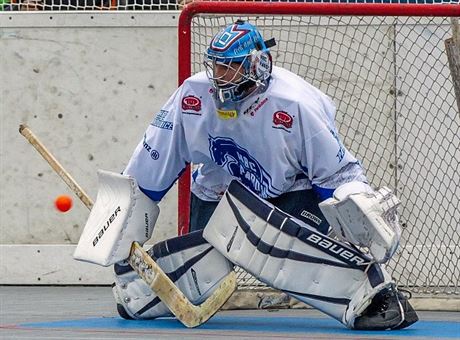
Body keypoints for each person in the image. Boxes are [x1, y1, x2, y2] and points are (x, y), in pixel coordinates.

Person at [99, 20, 418, 330]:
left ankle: (373, 297)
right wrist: (124, 233)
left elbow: (335, 174)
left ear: (256, 65)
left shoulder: (295, 103)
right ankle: (135, 294)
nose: (219, 77)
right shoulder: (193, 97)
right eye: (216, 66)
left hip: (291, 192)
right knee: (198, 271)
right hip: (219, 191)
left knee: (273, 251)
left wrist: (354, 204)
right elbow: (152, 166)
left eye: (230, 67)